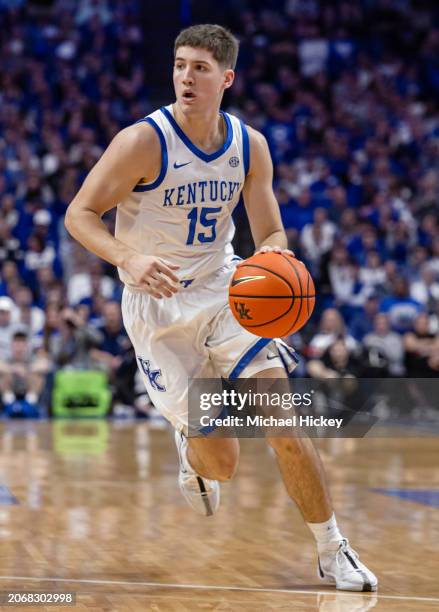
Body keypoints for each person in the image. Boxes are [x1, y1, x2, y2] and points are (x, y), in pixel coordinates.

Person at [65, 24, 377, 592]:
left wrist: (275, 260)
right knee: (223, 464)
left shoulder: (248, 144)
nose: (186, 76)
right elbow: (80, 215)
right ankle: (192, 448)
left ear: (226, 78)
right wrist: (128, 258)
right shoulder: (141, 142)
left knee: (285, 423)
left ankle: (333, 549)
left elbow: (271, 230)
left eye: (200, 68)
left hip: (226, 290)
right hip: (158, 306)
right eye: (180, 64)